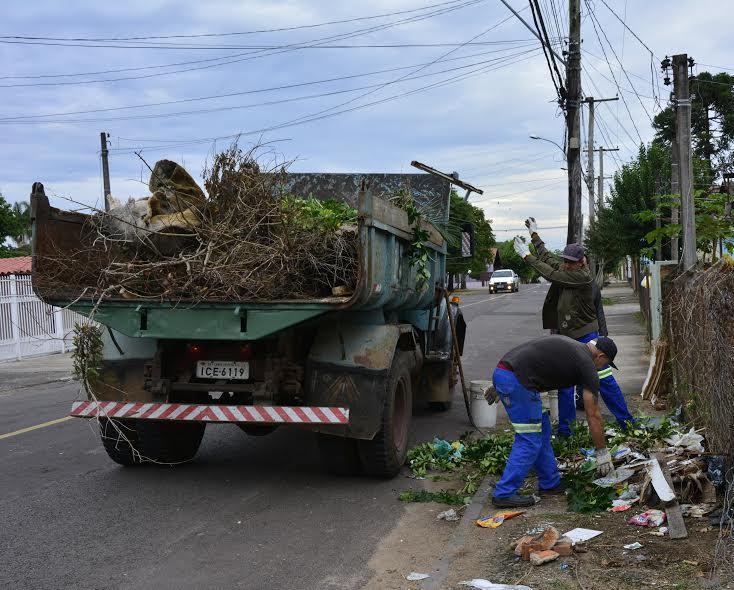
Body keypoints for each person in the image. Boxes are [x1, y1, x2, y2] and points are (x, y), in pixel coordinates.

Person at [513, 219, 634, 437]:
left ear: (581, 262)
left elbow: (551, 273)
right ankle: (566, 432)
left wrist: (526, 256)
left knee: (603, 380)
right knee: (565, 385)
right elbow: (549, 260)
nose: (567, 265)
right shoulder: (571, 269)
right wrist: (535, 237)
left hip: (588, 337)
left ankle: (628, 423)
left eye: (571, 262)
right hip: (568, 337)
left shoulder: (581, 276)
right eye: (566, 261)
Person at [490, 335, 618, 508]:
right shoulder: (586, 364)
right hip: (516, 380)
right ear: (601, 356)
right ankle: (504, 493)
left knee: (542, 430)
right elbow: (593, 414)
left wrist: (501, 380)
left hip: (510, 374)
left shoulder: (574, 348)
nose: (603, 367)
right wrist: (602, 452)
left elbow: (534, 355)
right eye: (606, 364)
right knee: (529, 439)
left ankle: (550, 483)